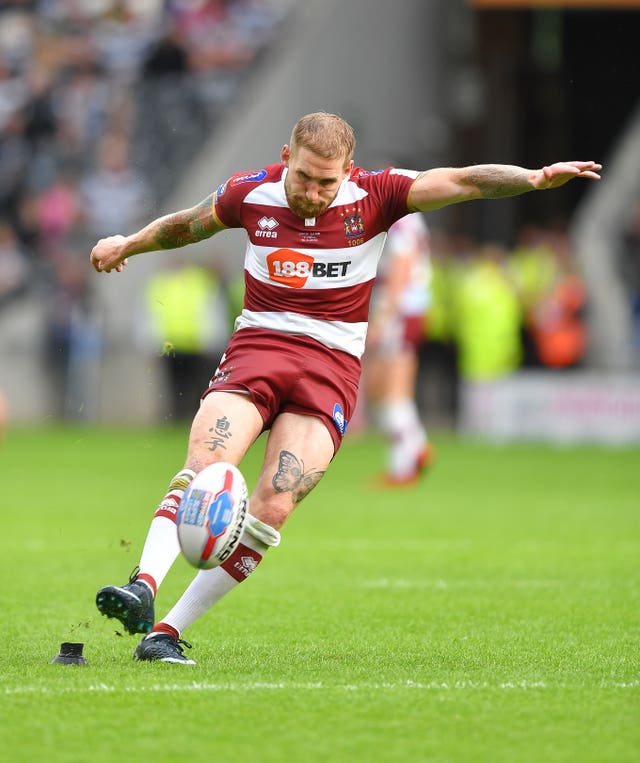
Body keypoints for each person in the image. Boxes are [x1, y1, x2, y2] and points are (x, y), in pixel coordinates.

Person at [90, 111, 601, 664]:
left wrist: (531, 178)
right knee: (207, 466)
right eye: (305, 176)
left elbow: (463, 179)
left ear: (348, 172)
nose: (313, 191)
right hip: (257, 350)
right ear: (286, 158)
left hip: (329, 368)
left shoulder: (375, 196)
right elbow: (186, 225)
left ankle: (165, 633)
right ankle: (143, 584)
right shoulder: (250, 193)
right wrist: (127, 244)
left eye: (326, 181)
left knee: (275, 507)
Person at [362, 212, 433, 485]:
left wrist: (385, 317)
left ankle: (405, 462)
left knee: (391, 390)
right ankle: (414, 449)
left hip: (401, 312)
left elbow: (402, 267)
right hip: (408, 309)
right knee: (382, 389)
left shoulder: (401, 219)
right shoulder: (412, 218)